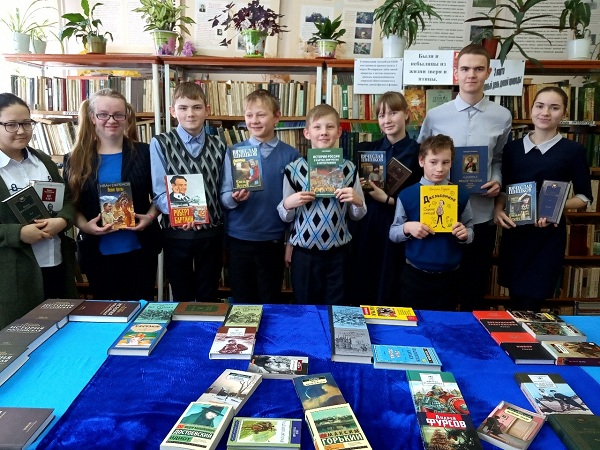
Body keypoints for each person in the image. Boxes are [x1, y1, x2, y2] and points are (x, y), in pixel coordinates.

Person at [418, 44, 512, 311]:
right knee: (441, 290)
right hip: (440, 214)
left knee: (474, 287)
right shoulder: (435, 115)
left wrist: (497, 180)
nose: (472, 74)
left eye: (479, 69)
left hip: (481, 214)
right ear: (455, 72)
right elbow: (423, 157)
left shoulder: (502, 116)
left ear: (488, 73)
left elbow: (499, 158)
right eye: (466, 68)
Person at [493, 86, 592, 311]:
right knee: (515, 299)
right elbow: (504, 190)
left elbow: (584, 197)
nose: (545, 112)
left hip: (547, 238)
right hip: (516, 235)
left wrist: (554, 208)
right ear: (531, 109)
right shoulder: (512, 149)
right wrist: (498, 210)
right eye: (540, 106)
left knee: (533, 301)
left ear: (564, 113)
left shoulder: (573, 150)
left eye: (554, 108)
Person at [64, 89, 161, 302]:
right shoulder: (75, 159)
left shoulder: (145, 153)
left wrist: (150, 217)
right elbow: (70, 203)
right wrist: (84, 226)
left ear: (126, 117)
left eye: (118, 114)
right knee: (106, 311)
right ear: (92, 117)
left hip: (140, 251)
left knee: (141, 311)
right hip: (97, 253)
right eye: (103, 114)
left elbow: (161, 194)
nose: (111, 120)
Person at [0, 93, 78, 328]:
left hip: (56, 265)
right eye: (11, 125)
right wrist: (18, 233)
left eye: (26, 123)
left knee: (61, 334)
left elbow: (68, 200)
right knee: (22, 339)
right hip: (15, 277)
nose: (21, 131)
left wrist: (62, 221)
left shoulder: (42, 160)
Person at [278, 104, 366, 305]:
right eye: (317, 127)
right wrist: (288, 203)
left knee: (337, 308)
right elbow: (286, 216)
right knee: (306, 307)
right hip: (305, 253)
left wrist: (357, 201)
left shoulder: (349, 168)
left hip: (339, 254)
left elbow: (357, 215)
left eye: (330, 127)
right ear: (307, 133)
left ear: (339, 132)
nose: (324, 132)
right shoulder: (293, 169)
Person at [220, 89, 300, 304]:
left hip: (273, 240)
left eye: (261, 115)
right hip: (239, 239)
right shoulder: (234, 152)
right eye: (249, 115)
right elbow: (224, 197)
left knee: (270, 299)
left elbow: (298, 205)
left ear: (276, 117)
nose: (254, 120)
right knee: (242, 301)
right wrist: (234, 198)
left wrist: (290, 241)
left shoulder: (291, 155)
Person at [151, 82, 227, 302]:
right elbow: (159, 192)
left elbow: (223, 189)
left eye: (196, 107)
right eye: (183, 108)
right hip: (176, 233)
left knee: (209, 295)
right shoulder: (161, 143)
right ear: (173, 111)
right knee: (181, 295)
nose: (190, 114)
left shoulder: (220, 145)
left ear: (207, 110)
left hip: (211, 233)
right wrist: (182, 214)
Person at [348, 91, 421, 306]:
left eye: (393, 113)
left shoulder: (418, 153)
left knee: (391, 281)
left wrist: (388, 199)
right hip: (367, 224)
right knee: (364, 278)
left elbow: (419, 201)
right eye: (381, 115)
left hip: (397, 225)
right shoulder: (367, 149)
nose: (387, 120)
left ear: (406, 114)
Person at [389, 135, 473, 311]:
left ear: (451, 163)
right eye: (433, 162)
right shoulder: (407, 195)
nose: (439, 168)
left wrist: (465, 234)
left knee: (443, 323)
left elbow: (470, 229)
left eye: (445, 162)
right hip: (415, 275)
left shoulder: (461, 194)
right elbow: (393, 233)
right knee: (415, 322)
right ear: (421, 161)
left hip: (449, 277)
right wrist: (407, 227)